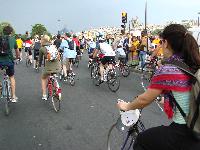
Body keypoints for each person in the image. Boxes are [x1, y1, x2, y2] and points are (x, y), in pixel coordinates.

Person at [117, 24, 200, 150]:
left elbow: (144, 100)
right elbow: (189, 92)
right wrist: (167, 100)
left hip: (184, 131)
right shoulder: (193, 62)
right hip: (197, 128)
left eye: (161, 42)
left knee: (142, 140)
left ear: (166, 43)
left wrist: (127, 106)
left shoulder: (169, 69)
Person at [0, 26, 19, 102]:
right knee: (11, 77)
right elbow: (17, 50)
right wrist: (17, 57)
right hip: (9, 61)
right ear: (11, 32)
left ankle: (0, 86)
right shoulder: (13, 39)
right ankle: (13, 96)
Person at [39, 35, 61, 100]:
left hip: (48, 68)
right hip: (57, 67)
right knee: (54, 78)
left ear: (42, 40)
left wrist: (39, 65)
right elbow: (58, 56)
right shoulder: (54, 46)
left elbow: (40, 59)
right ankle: (58, 91)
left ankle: (44, 95)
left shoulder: (42, 48)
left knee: (43, 78)